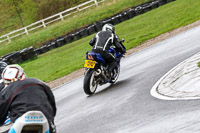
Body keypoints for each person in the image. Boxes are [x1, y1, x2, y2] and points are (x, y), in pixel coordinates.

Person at [0, 64, 57, 133]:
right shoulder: (39, 82)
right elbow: (52, 104)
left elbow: (1, 112)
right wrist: (50, 119)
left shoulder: (6, 91)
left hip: (21, 122)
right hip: (45, 120)